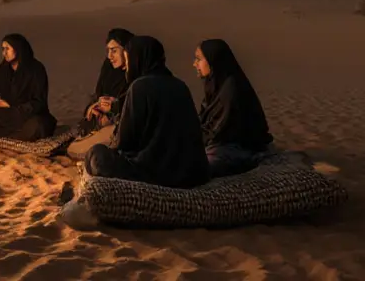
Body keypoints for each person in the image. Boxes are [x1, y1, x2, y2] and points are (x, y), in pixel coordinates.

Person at [84, 36, 210, 189]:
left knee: (96, 154)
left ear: (137, 60)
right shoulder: (180, 85)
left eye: (128, 61)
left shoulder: (139, 87)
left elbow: (125, 142)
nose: (127, 68)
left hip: (156, 173)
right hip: (190, 173)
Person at [194, 38, 274, 177]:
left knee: (199, 166)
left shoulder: (231, 90)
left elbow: (219, 132)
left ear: (213, 61)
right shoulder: (216, 85)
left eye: (199, 59)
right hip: (220, 145)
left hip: (238, 148)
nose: (194, 64)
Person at [0, 33, 58, 141]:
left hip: (26, 115)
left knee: (37, 126)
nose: (4, 53)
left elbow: (39, 102)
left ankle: (9, 135)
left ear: (18, 49)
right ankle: (11, 134)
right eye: (3, 49)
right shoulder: (3, 68)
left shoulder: (36, 69)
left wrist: (13, 108)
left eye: (7, 49)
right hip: (6, 114)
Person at [68, 27, 135, 159]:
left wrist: (114, 108)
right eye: (108, 51)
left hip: (123, 127)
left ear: (127, 51)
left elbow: (134, 107)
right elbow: (98, 96)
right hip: (102, 123)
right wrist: (95, 107)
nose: (110, 56)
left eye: (114, 51)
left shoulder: (137, 75)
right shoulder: (109, 68)